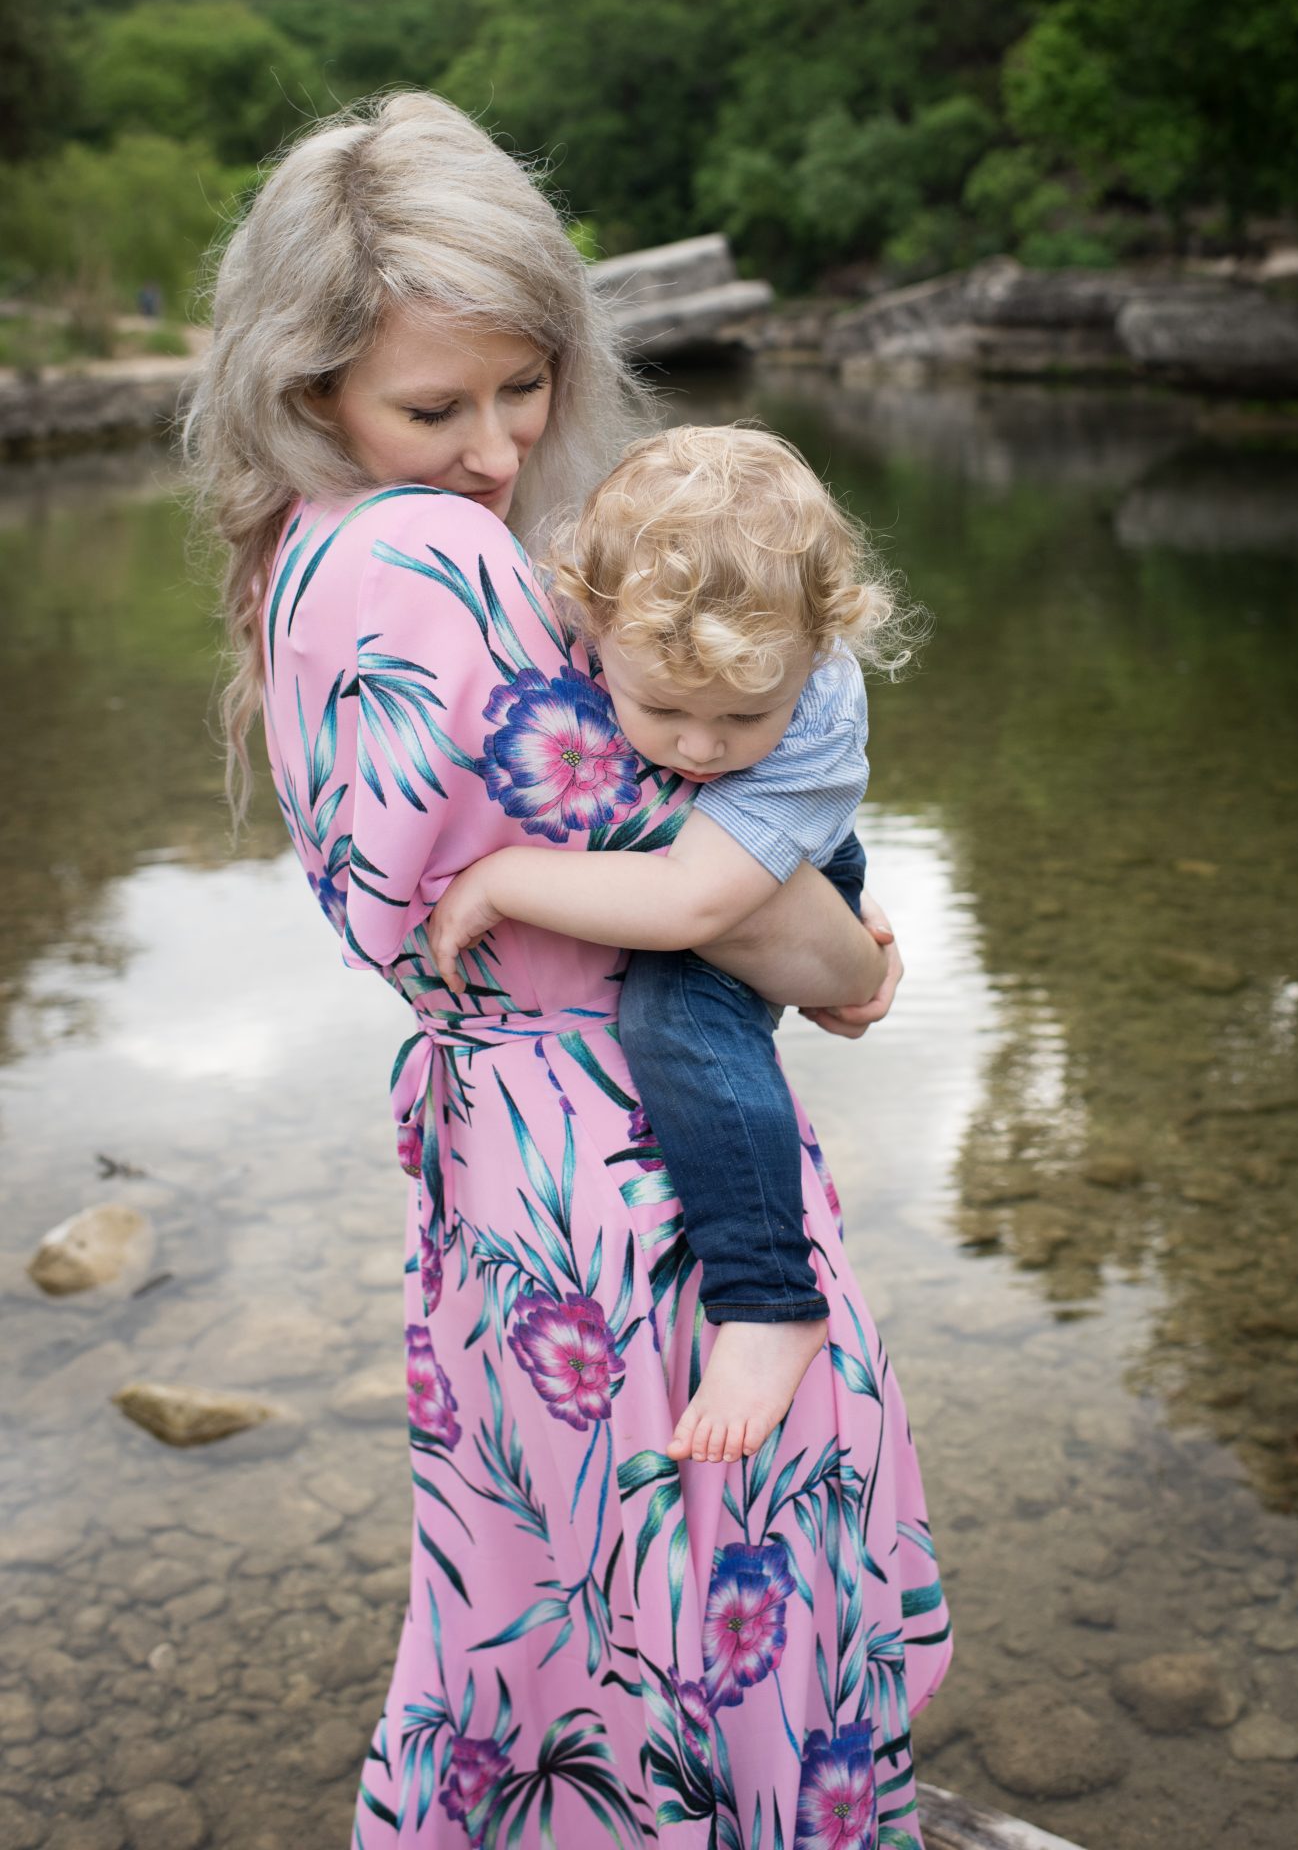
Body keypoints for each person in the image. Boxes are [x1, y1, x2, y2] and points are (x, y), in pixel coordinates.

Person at [190, 89, 950, 1848]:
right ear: (308, 389)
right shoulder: (441, 561)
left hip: (500, 1163)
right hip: (627, 1171)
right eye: (432, 406)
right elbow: (751, 923)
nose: (490, 449)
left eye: (522, 387)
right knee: (719, 1594)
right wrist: (851, 959)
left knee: (555, 1613)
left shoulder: (302, 556)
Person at [427, 423, 914, 1471]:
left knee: (676, 1013)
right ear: (592, 619)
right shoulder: (607, 606)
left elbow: (692, 903)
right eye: (661, 707)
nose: (699, 745)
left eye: (744, 714)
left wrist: (502, 879)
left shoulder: (814, 719)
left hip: (763, 867)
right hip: (715, 857)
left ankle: (771, 1300)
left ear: (816, 650)